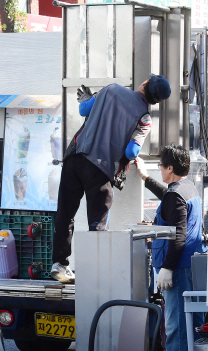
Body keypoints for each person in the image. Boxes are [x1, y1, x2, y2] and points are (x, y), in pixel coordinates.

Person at [51, 75, 171, 283]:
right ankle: (93, 273)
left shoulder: (112, 89)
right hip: (100, 169)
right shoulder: (144, 118)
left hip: (75, 157)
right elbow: (132, 151)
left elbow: (83, 110)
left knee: (65, 214)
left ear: (144, 83)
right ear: (157, 102)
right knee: (97, 224)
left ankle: (60, 264)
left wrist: (85, 99)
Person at [135, 146, 204, 351]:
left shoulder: (176, 196)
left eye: (161, 167)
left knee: (175, 326)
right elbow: (168, 198)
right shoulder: (187, 189)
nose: (160, 170)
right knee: (193, 324)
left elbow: (179, 234)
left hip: (179, 269)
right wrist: (145, 178)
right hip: (190, 267)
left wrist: (167, 268)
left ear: (170, 168)